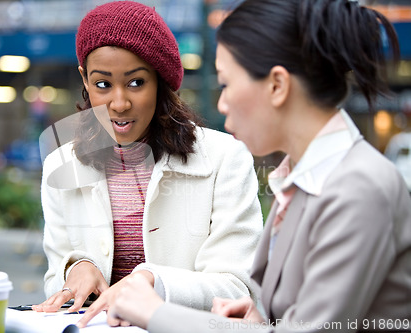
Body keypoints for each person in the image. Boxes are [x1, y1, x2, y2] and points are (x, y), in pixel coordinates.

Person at [106, 0, 411, 332]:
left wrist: (156, 313)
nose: (221, 104)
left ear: (277, 86)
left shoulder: (358, 188)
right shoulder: (305, 181)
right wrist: (261, 319)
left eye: (225, 84)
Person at [32, 0, 264, 328]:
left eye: (136, 82)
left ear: (160, 80)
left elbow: (240, 288)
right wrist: (75, 268)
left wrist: (152, 280)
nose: (120, 103)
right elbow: (56, 281)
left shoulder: (225, 158)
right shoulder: (61, 164)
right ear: (85, 80)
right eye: (103, 85)